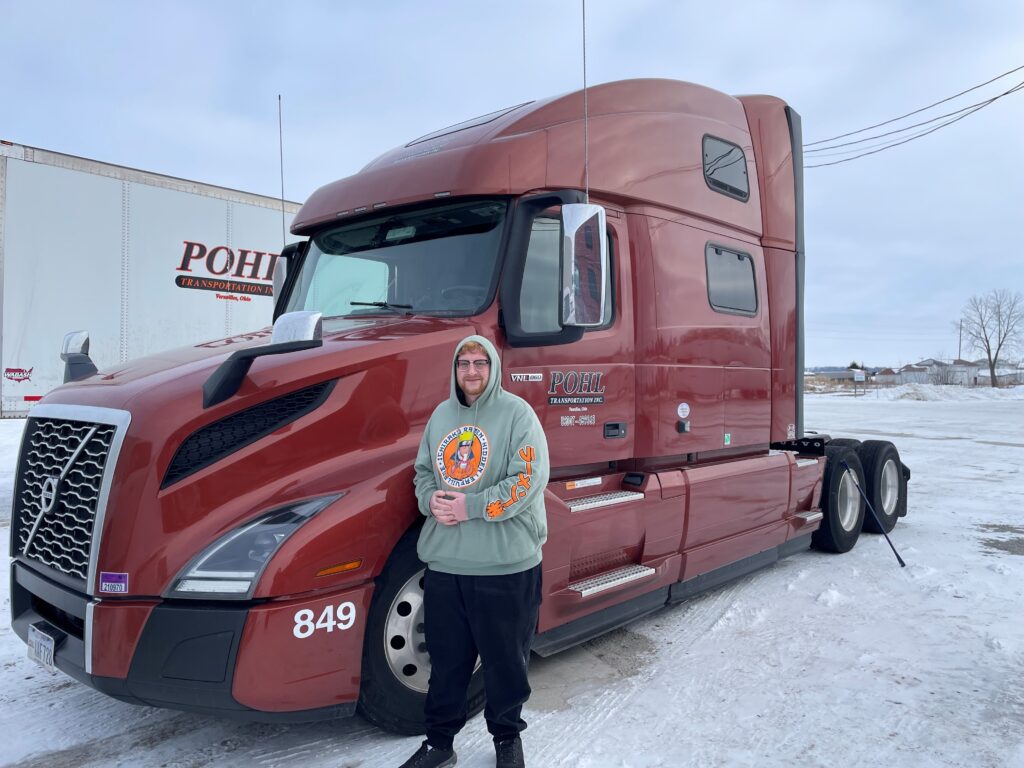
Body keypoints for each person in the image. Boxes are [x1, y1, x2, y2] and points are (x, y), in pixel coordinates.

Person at [400, 335, 549, 768]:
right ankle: (439, 743)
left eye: (480, 363)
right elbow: (423, 471)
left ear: (493, 367)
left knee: (506, 664)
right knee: (446, 664)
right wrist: (429, 499)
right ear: (455, 369)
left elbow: (527, 481)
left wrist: (472, 507)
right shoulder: (441, 416)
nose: (471, 372)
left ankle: (507, 739)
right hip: (448, 565)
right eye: (464, 363)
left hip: (505, 566)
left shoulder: (518, 415)